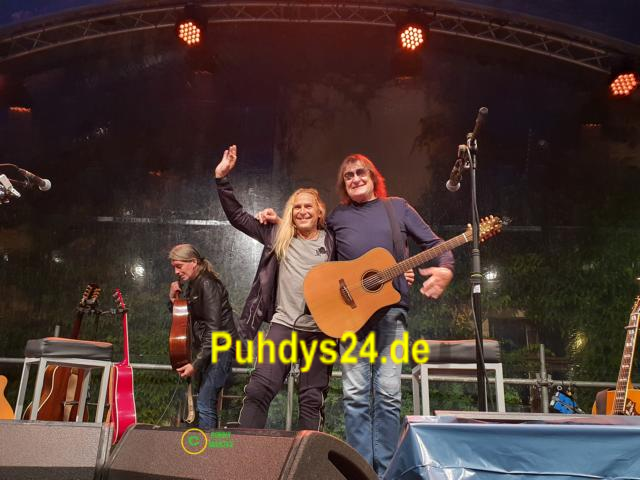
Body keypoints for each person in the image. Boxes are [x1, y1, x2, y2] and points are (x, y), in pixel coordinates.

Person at [328, 154, 454, 477]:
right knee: (354, 396)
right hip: (350, 317)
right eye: (348, 176)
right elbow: (319, 254)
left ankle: (384, 472)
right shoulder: (337, 216)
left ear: (373, 177)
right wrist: (275, 222)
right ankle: (359, 471)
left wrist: (446, 268)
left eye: (360, 172)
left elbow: (435, 243)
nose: (355, 178)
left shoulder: (396, 207)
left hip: (392, 313)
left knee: (388, 394)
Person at [214, 145, 335, 430]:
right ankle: (244, 449)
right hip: (284, 326)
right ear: (291, 212)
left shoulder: (333, 242)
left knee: (311, 399)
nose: (302, 211)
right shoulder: (278, 236)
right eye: (297, 207)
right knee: (259, 389)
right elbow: (238, 217)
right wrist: (221, 179)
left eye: (308, 206)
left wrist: (396, 274)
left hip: (321, 331)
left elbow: (359, 271)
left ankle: (307, 455)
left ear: (319, 212)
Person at [169, 243, 237, 431]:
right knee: (205, 402)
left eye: (179, 266)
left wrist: (195, 364)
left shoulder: (207, 284)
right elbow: (184, 318)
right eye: (174, 267)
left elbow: (214, 329)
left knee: (205, 402)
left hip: (221, 348)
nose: (176, 272)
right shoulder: (193, 285)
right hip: (209, 350)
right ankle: (208, 445)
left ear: (193, 262)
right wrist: (173, 300)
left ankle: (208, 447)